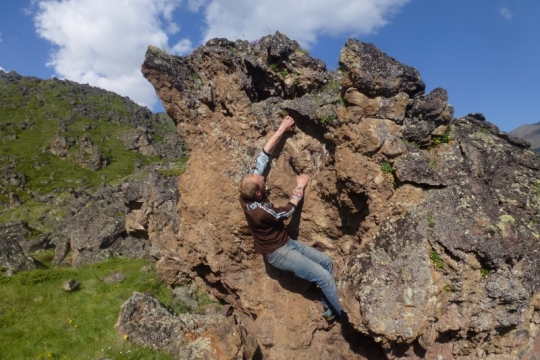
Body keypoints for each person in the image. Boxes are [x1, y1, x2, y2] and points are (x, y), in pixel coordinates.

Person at [238, 115, 347, 322]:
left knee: (326, 262)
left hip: (287, 243)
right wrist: (300, 186)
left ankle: (329, 308)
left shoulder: (247, 191)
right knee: (323, 277)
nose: (262, 176)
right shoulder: (260, 211)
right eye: (262, 180)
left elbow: (263, 156)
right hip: (278, 253)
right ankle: (342, 316)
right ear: (259, 193)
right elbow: (286, 211)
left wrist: (281, 129)